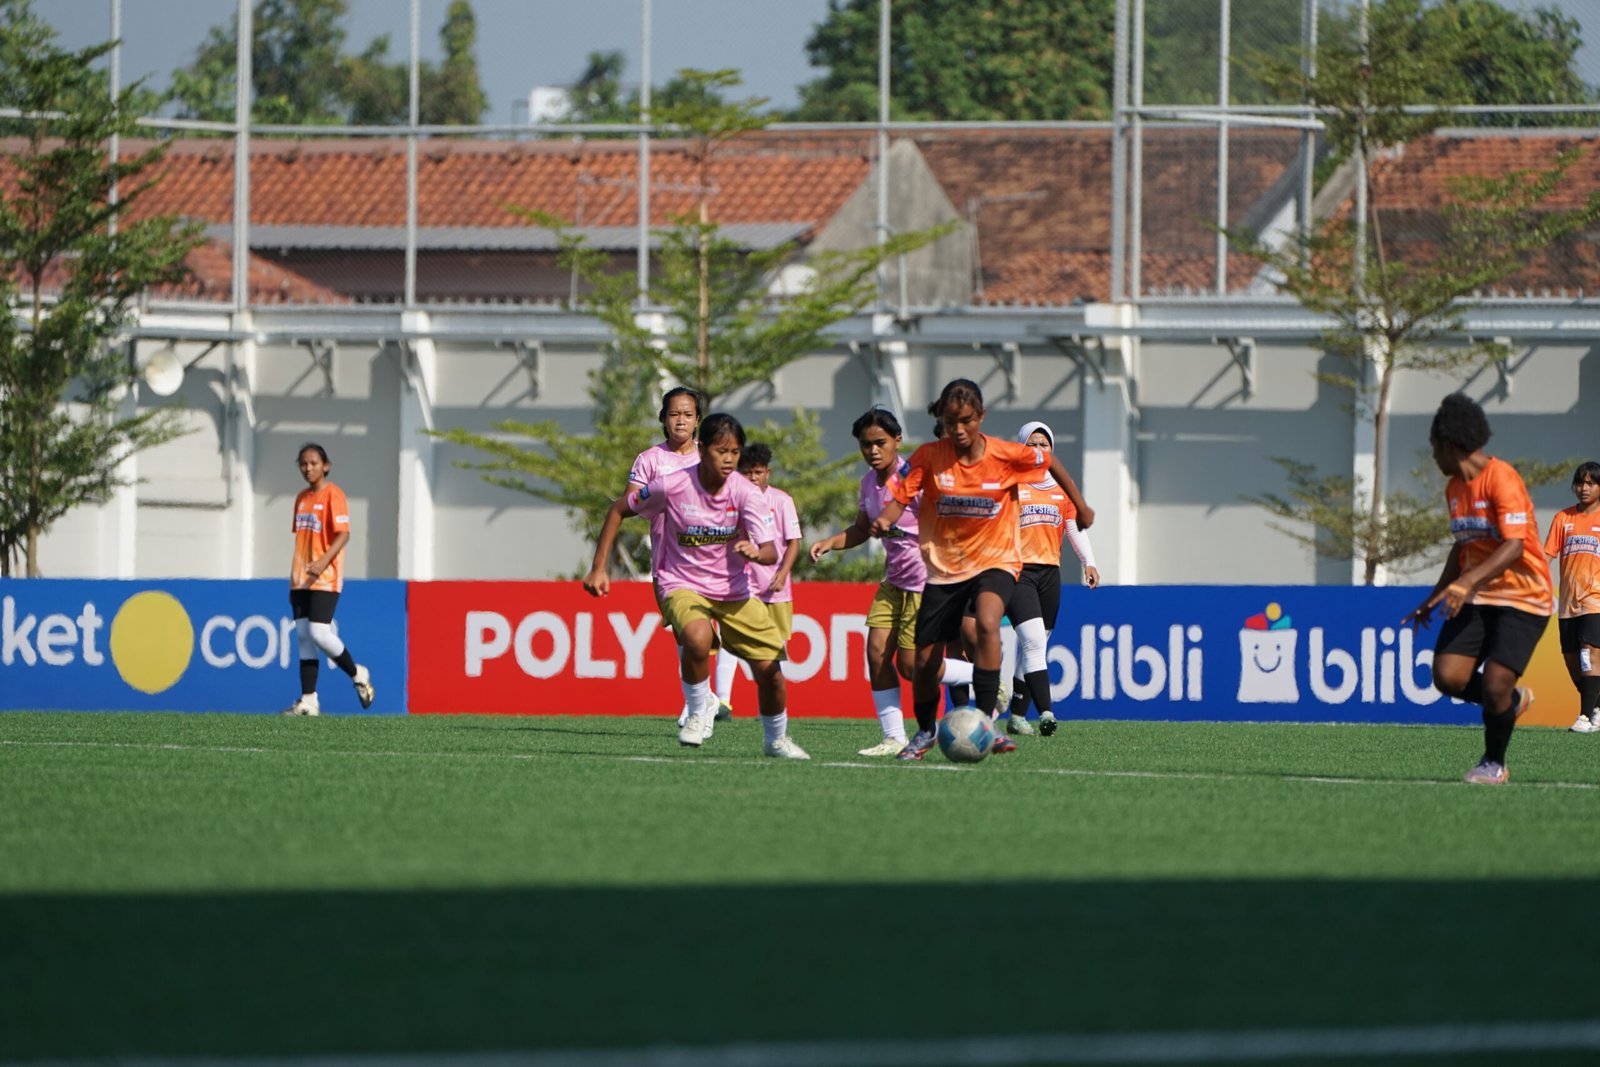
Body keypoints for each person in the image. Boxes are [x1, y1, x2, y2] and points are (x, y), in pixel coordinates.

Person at [871, 379, 1092, 761]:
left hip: (996, 561)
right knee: (923, 661)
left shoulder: (1005, 454)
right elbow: (901, 497)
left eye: (966, 421)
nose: (958, 429)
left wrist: (1082, 507)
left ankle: (988, 722)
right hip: (946, 568)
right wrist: (885, 518)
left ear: (981, 416)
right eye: (950, 421)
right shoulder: (928, 457)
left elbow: (1050, 462)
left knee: (988, 623)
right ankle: (925, 731)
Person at [584, 413, 809, 759]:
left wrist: (757, 553)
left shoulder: (747, 493)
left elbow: (770, 550)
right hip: (681, 583)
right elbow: (618, 510)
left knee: (771, 674)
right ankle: (697, 711)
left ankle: (775, 740)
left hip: (734, 592)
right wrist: (599, 568)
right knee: (697, 637)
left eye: (735, 452)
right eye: (722, 451)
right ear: (702, 450)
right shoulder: (671, 485)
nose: (729, 459)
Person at [1404, 393, 1553, 785]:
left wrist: (1466, 581)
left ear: (1450, 445)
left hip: (1524, 596)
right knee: (1448, 676)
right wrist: (1435, 595)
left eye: (1435, 448)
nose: (1433, 457)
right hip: (1479, 595)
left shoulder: (1502, 478)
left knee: (1495, 682)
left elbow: (1514, 545)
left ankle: (1494, 764)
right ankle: (1511, 702)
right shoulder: (1454, 488)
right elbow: (1462, 545)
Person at [809, 407, 975, 757]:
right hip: (894, 582)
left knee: (912, 667)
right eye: (865, 444)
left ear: (897, 440)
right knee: (876, 654)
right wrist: (831, 542)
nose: (872, 450)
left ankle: (982, 674)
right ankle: (893, 737)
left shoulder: (915, 479)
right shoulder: (868, 484)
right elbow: (861, 529)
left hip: (924, 583)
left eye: (880, 443)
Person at [1003, 420, 1100, 738]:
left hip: (1049, 575)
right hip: (1018, 573)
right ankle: (1046, 712)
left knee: (1035, 645)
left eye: (1044, 444)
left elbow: (1073, 526)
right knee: (1033, 642)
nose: (1038, 449)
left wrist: (1089, 562)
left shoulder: (1061, 487)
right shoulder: (1010, 483)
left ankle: (1017, 716)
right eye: (1031, 443)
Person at [710, 443, 802, 718]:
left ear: (767, 473)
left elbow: (793, 542)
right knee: (730, 641)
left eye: (758, 472)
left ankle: (773, 706)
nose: (752, 477)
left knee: (773, 648)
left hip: (775, 589)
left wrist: (782, 573)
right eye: (747, 472)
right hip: (742, 586)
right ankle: (723, 702)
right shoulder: (731, 499)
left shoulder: (781, 501)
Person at [282, 443, 374, 716]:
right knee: (303, 636)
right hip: (300, 578)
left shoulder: (334, 495)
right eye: (303, 463)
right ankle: (309, 701)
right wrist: (297, 577)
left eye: (313, 463)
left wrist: (322, 562)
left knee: (319, 632)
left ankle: (357, 673)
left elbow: (343, 534)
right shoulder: (301, 498)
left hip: (325, 577)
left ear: (326, 466)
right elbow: (303, 538)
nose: (308, 468)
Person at [1543, 461, 1600, 733]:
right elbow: (1547, 555)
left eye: (1590, 483)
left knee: (1589, 655)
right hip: (1568, 603)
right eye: (1579, 483)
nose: (1584, 488)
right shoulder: (1562, 518)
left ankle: (1585, 717)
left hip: (1595, 600)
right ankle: (1597, 707)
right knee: (1571, 659)